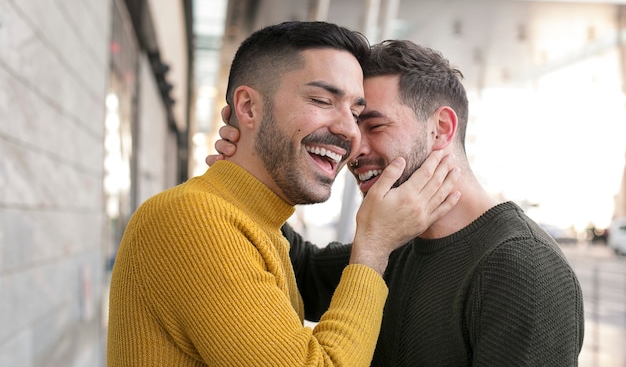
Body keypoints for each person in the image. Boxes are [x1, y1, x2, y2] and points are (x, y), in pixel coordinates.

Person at [209, 39, 585, 366]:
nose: (354, 146)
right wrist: (253, 164)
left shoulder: (523, 267)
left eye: (374, 126)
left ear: (441, 129)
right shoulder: (395, 240)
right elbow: (299, 270)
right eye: (355, 125)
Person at [106, 22, 461, 367]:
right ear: (247, 108)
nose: (349, 131)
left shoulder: (254, 223)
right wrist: (373, 249)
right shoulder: (192, 220)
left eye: (356, 112)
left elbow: (309, 268)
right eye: (322, 100)